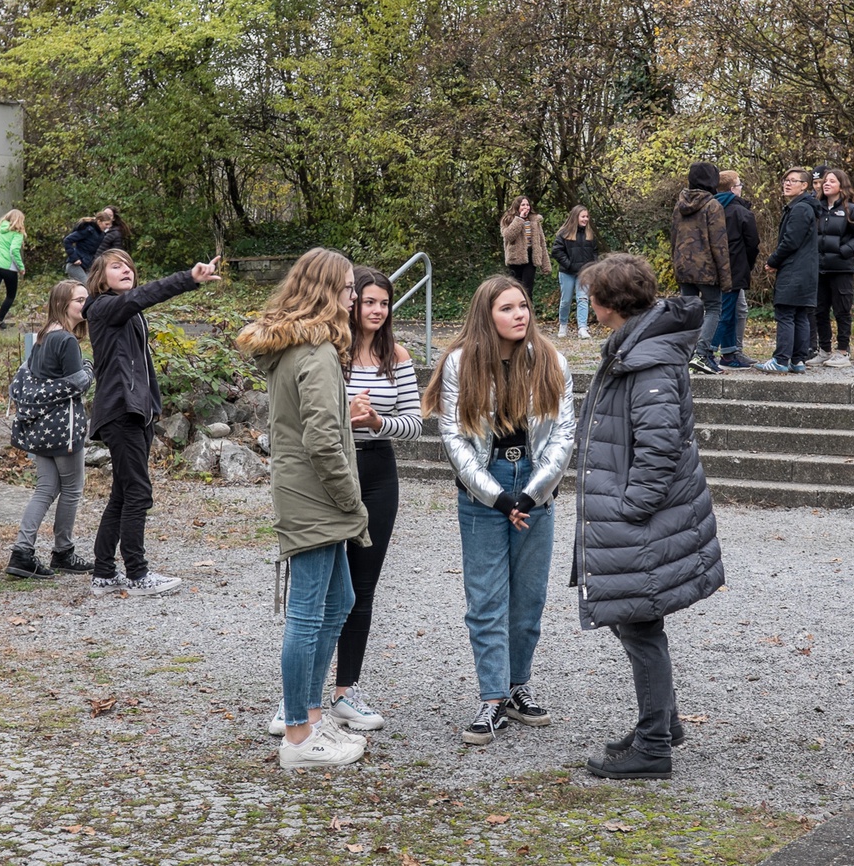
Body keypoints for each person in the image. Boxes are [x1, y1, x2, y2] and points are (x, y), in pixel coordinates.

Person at [573, 254, 725, 779]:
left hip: (637, 518)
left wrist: (629, 509)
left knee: (639, 627)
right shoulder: (636, 346)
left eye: (591, 295)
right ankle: (664, 722)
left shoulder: (649, 359)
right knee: (633, 622)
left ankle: (655, 745)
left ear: (608, 303)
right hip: (630, 514)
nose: (589, 303)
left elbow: (659, 448)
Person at [265, 265, 423, 737]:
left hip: (377, 471)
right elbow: (312, 425)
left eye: (383, 302)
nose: (374, 309)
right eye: (365, 299)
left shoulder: (396, 355)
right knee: (315, 599)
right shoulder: (328, 350)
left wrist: (376, 423)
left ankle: (343, 691)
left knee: (357, 591)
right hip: (331, 473)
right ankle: (298, 703)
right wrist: (344, 422)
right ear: (347, 301)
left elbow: (414, 423)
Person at [422, 276, 576, 746]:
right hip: (482, 488)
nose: (519, 314)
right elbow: (454, 440)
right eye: (506, 308)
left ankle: (516, 687)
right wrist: (500, 498)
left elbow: (564, 434)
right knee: (486, 599)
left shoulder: (551, 360)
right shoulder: (460, 363)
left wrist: (531, 494)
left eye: (522, 305)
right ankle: (491, 698)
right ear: (486, 316)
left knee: (528, 598)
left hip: (535, 483)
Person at [237, 248, 371, 769]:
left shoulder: (302, 346)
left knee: (339, 602)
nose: (354, 296)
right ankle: (298, 735)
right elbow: (321, 439)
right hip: (315, 498)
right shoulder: (315, 350)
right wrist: (350, 499)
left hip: (311, 495)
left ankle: (312, 717)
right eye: (348, 287)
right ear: (326, 291)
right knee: (309, 614)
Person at [84, 247, 221, 596]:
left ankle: (104, 573)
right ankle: (137, 574)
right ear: (101, 278)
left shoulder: (124, 312)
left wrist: (152, 407)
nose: (126, 270)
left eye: (129, 265)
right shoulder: (104, 307)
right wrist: (188, 278)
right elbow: (144, 296)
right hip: (121, 411)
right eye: (117, 266)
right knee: (138, 493)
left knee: (123, 493)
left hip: (137, 412)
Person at [6, 280, 97, 579]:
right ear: (62, 304)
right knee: (72, 489)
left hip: (40, 426)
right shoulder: (67, 341)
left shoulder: (44, 336)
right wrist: (90, 367)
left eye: (86, 299)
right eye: (79, 300)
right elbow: (78, 383)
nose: (85, 305)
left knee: (45, 489)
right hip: (63, 427)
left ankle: (22, 552)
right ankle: (63, 552)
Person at [755, 167, 820, 373]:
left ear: (804, 186)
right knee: (800, 314)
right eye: (785, 180)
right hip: (805, 270)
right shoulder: (804, 207)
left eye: (793, 180)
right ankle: (797, 361)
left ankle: (781, 360)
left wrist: (773, 260)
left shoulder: (800, 209)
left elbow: (791, 241)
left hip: (795, 269)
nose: (787, 184)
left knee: (786, 313)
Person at [671, 162, 733, 375]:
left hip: (683, 266)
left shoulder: (679, 204)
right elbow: (719, 244)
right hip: (706, 268)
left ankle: (688, 354)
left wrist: (677, 264)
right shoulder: (713, 205)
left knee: (690, 311)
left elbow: (673, 238)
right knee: (714, 307)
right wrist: (726, 278)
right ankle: (701, 354)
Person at [810, 168, 854, 368]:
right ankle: (824, 350)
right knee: (819, 311)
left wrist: (844, 251)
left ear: (841, 186)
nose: (826, 184)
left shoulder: (851, 209)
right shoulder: (816, 209)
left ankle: (843, 352)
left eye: (832, 181)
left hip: (841, 269)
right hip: (819, 268)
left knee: (842, 311)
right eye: (825, 181)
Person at [713, 171, 760, 369]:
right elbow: (752, 243)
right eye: (740, 185)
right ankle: (705, 352)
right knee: (725, 313)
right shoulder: (741, 212)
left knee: (732, 310)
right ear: (733, 189)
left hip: (713, 269)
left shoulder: (709, 209)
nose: (741, 188)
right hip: (734, 269)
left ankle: (729, 352)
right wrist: (747, 265)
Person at [551, 205, 599, 338]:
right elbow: (557, 251)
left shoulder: (590, 234)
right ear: (575, 217)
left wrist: (593, 266)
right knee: (566, 300)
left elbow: (595, 252)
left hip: (584, 273)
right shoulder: (564, 233)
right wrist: (569, 265)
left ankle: (582, 328)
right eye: (583, 216)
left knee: (583, 298)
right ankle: (563, 324)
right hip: (567, 273)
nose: (585, 219)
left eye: (587, 216)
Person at [500, 196, 551, 300]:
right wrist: (520, 219)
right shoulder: (508, 219)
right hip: (515, 258)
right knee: (516, 289)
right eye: (523, 205)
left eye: (527, 205)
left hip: (530, 257)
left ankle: (528, 310)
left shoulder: (534, 221)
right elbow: (508, 236)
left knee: (527, 290)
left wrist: (546, 265)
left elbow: (541, 242)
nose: (526, 207)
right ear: (517, 206)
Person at [62, 208, 112, 284]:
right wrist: (74, 258)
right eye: (106, 224)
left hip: (86, 266)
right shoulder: (88, 230)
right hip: (75, 265)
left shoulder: (101, 234)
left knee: (94, 286)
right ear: (99, 221)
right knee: (87, 286)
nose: (108, 227)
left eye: (109, 225)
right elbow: (67, 240)